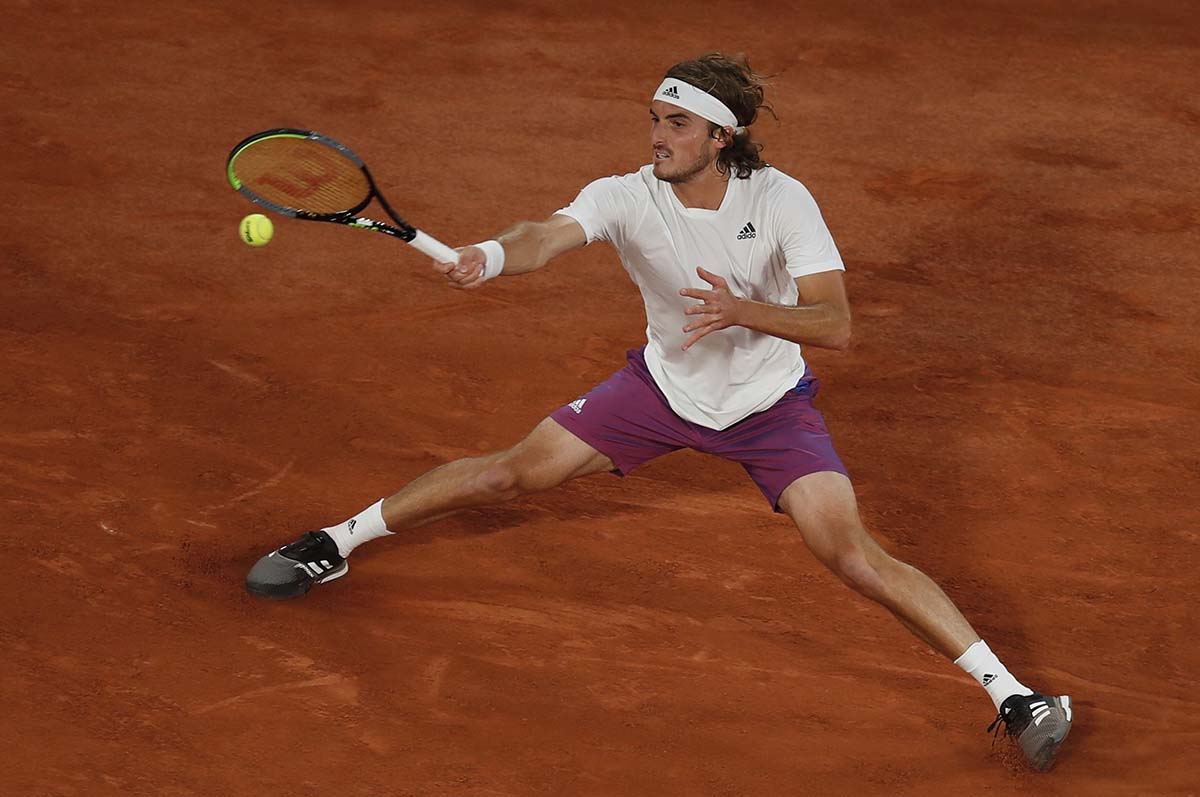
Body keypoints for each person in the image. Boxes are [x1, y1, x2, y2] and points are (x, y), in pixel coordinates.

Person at [245, 53, 1072, 771]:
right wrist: (491, 256)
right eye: (654, 119)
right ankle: (336, 541)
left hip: (769, 407)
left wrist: (747, 311)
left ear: (721, 137)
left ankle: (1017, 697)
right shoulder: (627, 195)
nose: (657, 136)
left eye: (675, 123)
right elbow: (544, 232)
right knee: (507, 474)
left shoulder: (784, 201)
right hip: (660, 393)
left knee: (851, 554)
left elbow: (837, 323)